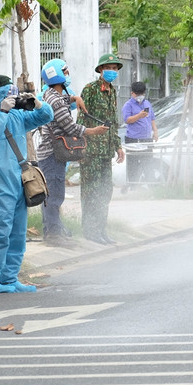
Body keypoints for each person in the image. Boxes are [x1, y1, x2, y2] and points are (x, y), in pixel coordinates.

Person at [0, 75, 54, 294]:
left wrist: (37, 103)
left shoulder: (18, 117)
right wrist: (3, 112)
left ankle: (9, 278)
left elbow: (45, 117)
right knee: (1, 231)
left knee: (18, 233)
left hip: (19, 184)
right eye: (9, 95)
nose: (14, 99)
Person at [37, 59, 108, 248]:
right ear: (58, 76)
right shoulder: (55, 100)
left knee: (53, 193)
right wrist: (94, 131)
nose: (68, 74)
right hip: (51, 155)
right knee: (54, 195)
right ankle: (53, 234)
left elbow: (62, 102)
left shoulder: (54, 95)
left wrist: (74, 98)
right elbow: (70, 127)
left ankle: (54, 230)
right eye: (65, 71)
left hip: (52, 154)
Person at [80, 53, 125, 244]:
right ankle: (90, 231)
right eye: (109, 68)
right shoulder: (90, 90)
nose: (112, 72)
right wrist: (83, 144)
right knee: (91, 192)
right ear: (100, 70)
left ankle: (101, 230)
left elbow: (113, 122)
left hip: (106, 151)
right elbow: (81, 120)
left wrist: (118, 146)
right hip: (91, 151)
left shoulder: (113, 91)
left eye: (115, 69)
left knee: (105, 191)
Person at [121, 80, 158, 188]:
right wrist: (139, 116)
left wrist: (155, 131)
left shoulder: (147, 103)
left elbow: (152, 118)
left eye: (142, 94)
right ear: (132, 93)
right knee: (133, 165)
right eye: (137, 94)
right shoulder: (128, 105)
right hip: (133, 139)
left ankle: (152, 188)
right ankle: (133, 187)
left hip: (146, 139)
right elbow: (127, 120)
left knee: (148, 163)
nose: (140, 96)